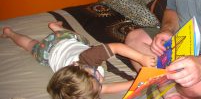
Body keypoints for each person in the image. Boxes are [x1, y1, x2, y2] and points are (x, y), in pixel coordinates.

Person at [1, 22, 156, 99]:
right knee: (30, 45)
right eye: (98, 82)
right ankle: (10, 33)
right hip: (51, 53)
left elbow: (116, 47)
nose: (100, 79)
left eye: (95, 77)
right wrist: (143, 82)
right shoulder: (87, 88)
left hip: (63, 41)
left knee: (83, 40)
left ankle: (56, 28)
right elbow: (107, 89)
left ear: (80, 67)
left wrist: (141, 57)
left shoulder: (87, 58)